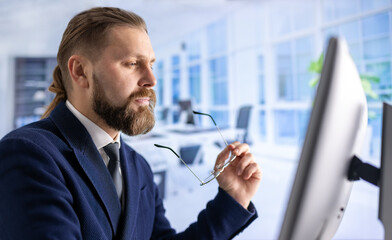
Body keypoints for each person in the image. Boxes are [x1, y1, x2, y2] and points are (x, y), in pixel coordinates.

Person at [0, 7, 262, 240]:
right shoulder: (28, 154)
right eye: (132, 63)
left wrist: (233, 200)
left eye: (151, 64)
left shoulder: (138, 166)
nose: (151, 79)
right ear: (80, 71)